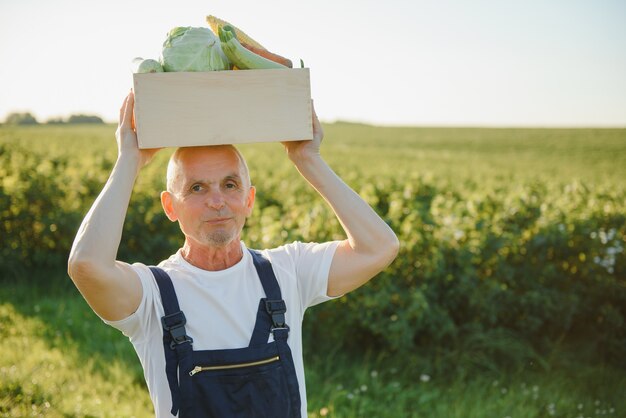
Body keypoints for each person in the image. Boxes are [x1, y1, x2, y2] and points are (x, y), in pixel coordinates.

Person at [67, 91, 399, 418]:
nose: (217, 201)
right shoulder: (152, 294)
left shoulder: (287, 271)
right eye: (197, 188)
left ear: (249, 199)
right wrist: (130, 160)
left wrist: (307, 160)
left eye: (230, 184)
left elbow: (379, 247)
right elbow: (87, 266)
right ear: (170, 206)